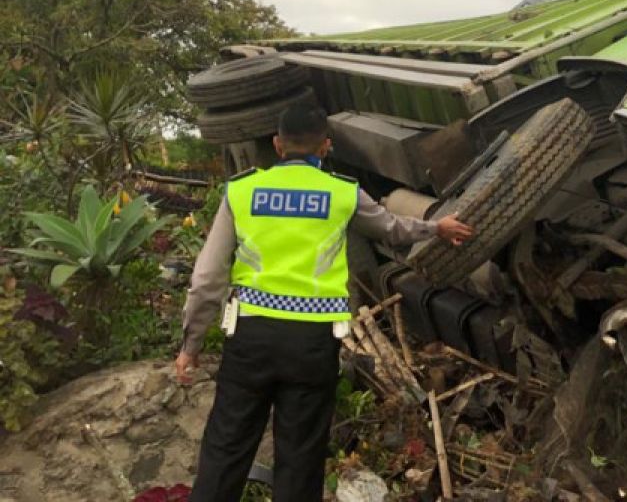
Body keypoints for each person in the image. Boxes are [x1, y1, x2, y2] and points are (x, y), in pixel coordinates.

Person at [175, 102, 473, 502]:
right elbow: (393, 229)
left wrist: (191, 346)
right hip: (312, 343)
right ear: (326, 146)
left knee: (225, 448)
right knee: (300, 458)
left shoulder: (242, 190)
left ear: (278, 145)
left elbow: (206, 278)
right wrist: (435, 227)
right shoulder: (341, 193)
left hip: (251, 336)